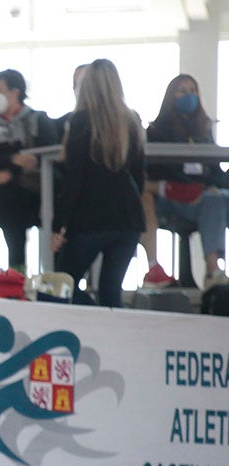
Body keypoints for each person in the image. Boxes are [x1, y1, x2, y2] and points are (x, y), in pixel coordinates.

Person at [50, 59, 145, 308]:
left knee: (59, 288)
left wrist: (58, 225)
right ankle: (113, 339)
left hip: (90, 219)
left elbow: (74, 180)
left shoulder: (81, 122)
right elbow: (139, 177)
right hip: (128, 219)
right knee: (111, 293)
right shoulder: (132, 121)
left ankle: (89, 322)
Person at [140, 74, 227, 291]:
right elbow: (152, 170)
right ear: (171, 96)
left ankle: (213, 271)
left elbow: (214, 170)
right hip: (167, 196)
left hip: (201, 197)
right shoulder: (156, 131)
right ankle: (154, 269)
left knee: (215, 200)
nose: (189, 96)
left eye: (193, 90)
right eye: (182, 91)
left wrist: (211, 184)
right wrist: (184, 187)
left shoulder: (204, 132)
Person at [0, 69, 59, 274]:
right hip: (0, 194)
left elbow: (46, 155)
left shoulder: (38, 120)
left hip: (36, 191)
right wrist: (12, 161)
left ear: (15, 92)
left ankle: (44, 273)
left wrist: (12, 170)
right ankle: (10, 272)